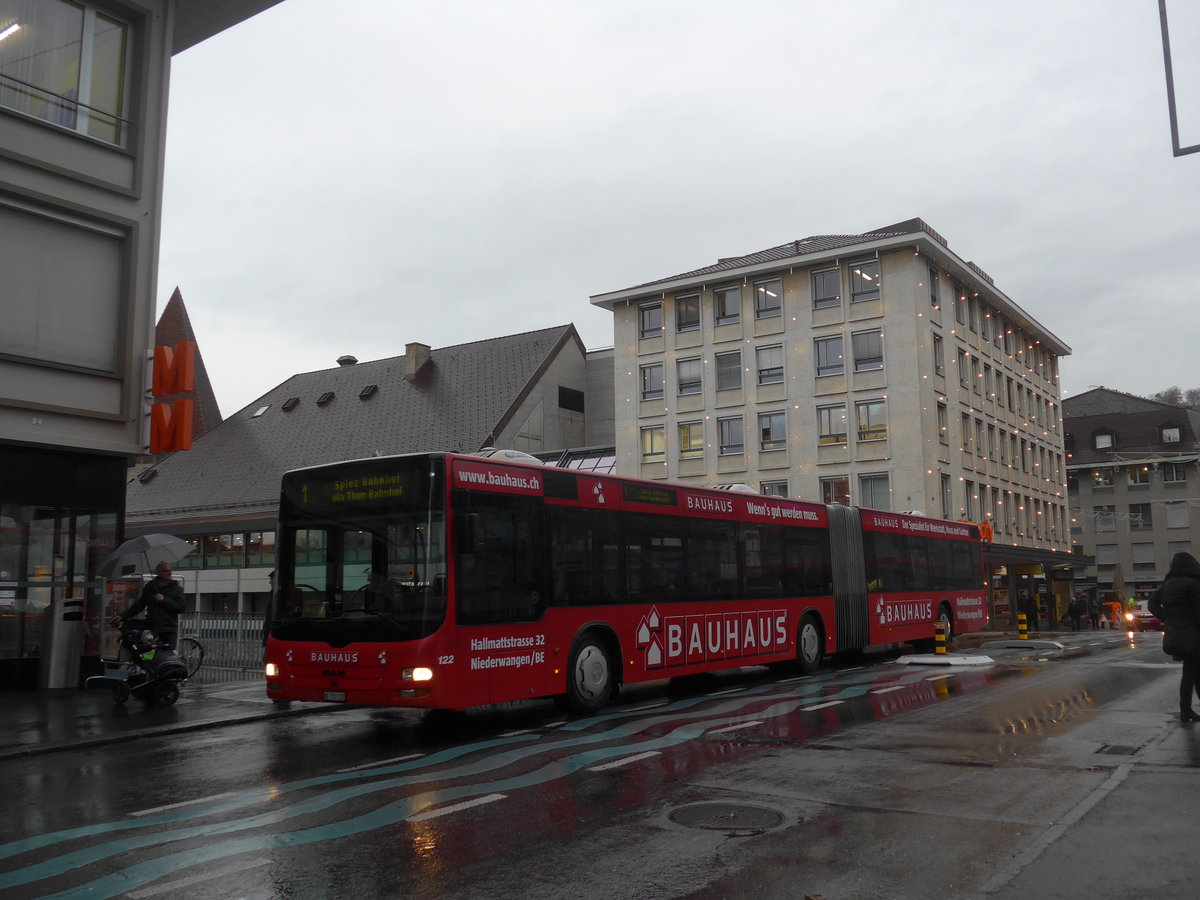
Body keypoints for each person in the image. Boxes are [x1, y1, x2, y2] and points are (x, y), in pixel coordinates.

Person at [1157, 552, 1200, 724]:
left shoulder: (1168, 585)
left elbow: (1153, 603)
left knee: (1189, 674)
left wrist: (1168, 618)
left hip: (1177, 635)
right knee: (1194, 674)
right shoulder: (1194, 584)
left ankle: (1186, 711)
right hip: (1194, 636)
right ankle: (1186, 711)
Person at [111, 561, 186, 650]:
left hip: (168, 629)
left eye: (170, 570)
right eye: (165, 571)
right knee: (149, 655)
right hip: (152, 628)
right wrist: (122, 616)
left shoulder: (176, 589)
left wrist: (164, 600)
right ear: (158, 573)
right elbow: (139, 605)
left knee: (169, 655)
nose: (169, 573)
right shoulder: (150, 587)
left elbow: (181, 608)